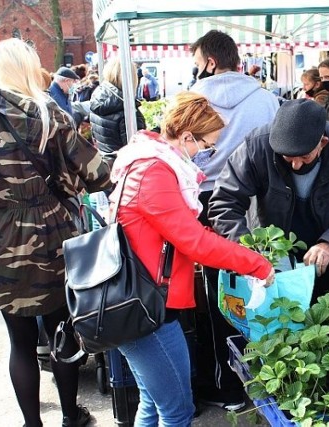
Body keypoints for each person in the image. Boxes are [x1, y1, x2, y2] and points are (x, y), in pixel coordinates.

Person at [110, 92, 275, 427]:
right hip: (149, 308)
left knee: (153, 404)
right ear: (186, 137)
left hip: (140, 300)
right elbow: (195, 243)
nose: (205, 153)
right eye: (205, 145)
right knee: (176, 412)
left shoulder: (145, 160)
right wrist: (258, 264)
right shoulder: (155, 173)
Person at [0, 38, 112, 427]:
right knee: (60, 333)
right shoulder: (51, 114)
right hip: (54, 237)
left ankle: (31, 423)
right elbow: (99, 174)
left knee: (19, 341)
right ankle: (71, 416)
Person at [189, 29, 279, 411]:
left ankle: (230, 388)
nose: (195, 71)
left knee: (219, 293)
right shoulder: (267, 99)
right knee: (263, 285)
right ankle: (273, 376)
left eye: (197, 63)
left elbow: (187, 155)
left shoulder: (193, 100)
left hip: (209, 201)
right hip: (260, 203)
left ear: (210, 61)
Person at [209, 99, 329, 298]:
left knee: (328, 315)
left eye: (305, 156)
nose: (296, 165)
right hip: (271, 257)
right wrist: (246, 248)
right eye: (287, 157)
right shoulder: (257, 145)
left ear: (322, 143)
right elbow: (224, 201)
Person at [90, 56, 146, 168]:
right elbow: (138, 151)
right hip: (124, 170)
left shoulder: (97, 97)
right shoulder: (127, 110)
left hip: (108, 166)